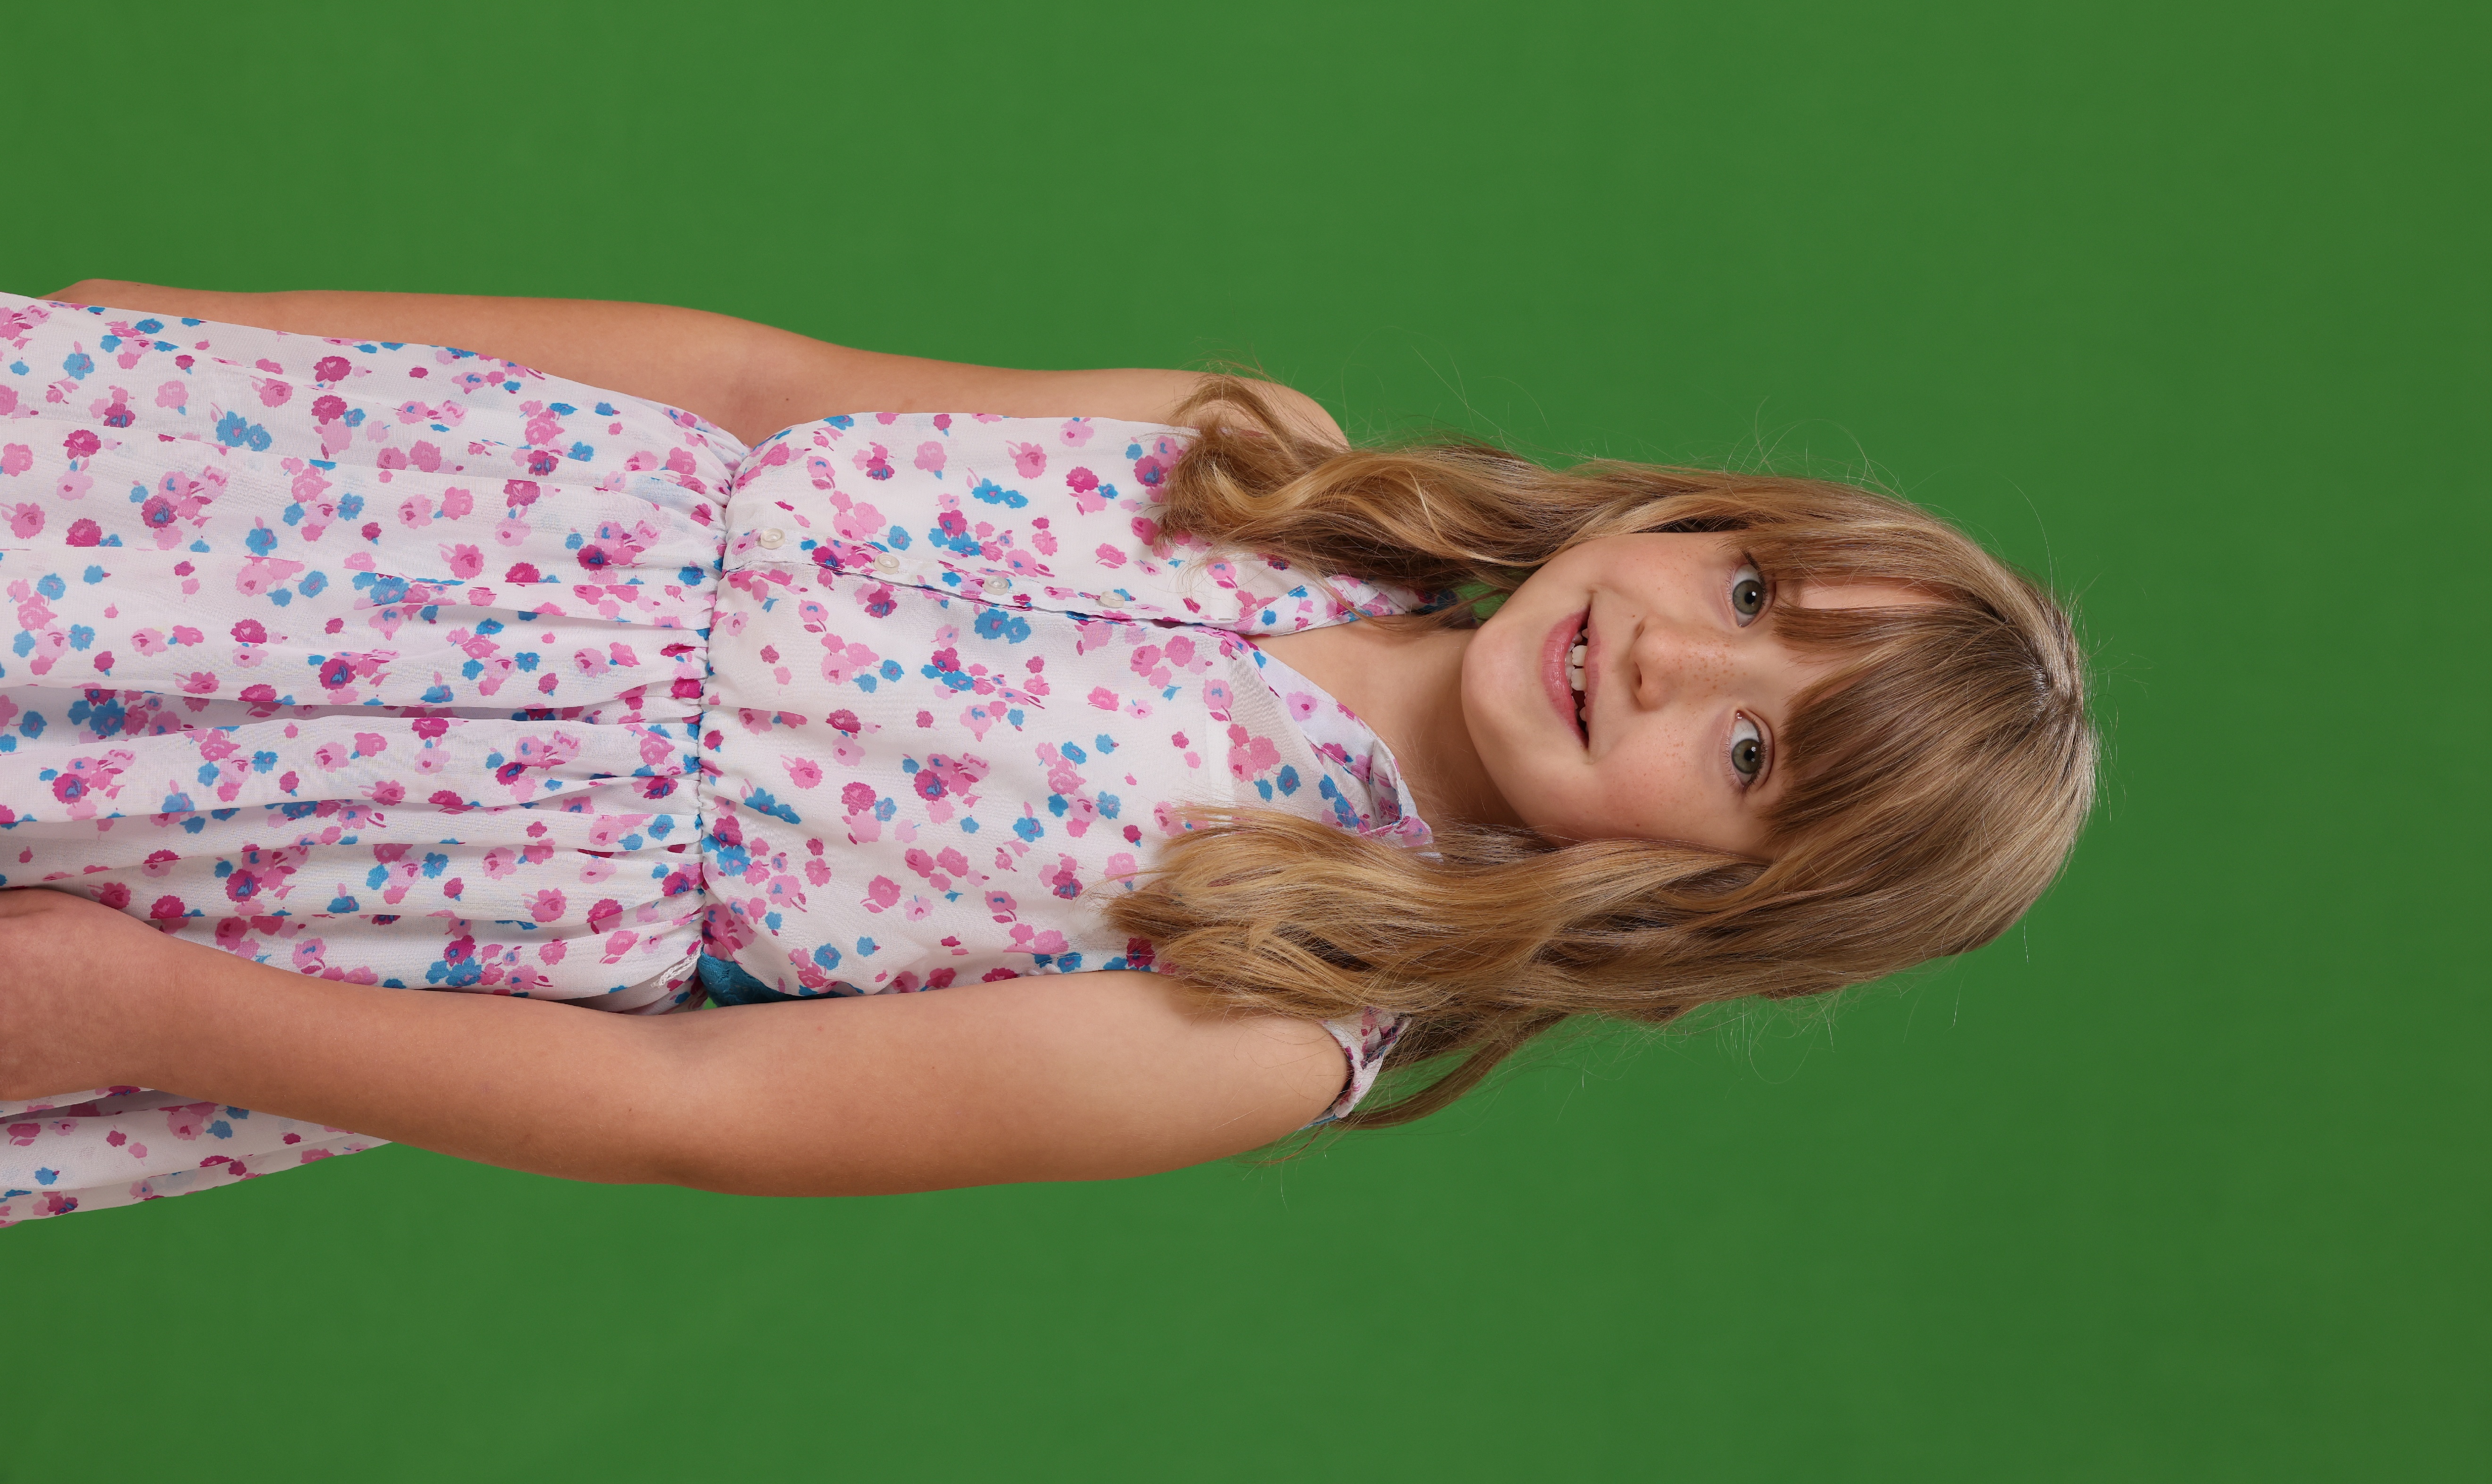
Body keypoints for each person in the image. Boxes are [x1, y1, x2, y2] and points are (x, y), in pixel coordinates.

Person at [0, 282, 2095, 1225]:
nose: (1661, 657)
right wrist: (224, 329)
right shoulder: (1258, 458)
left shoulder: (1272, 1018)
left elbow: (691, 1108)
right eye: (1749, 593)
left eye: (1748, 751)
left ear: (1720, 904)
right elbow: (750, 386)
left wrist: (141, 1010)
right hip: (296, 490)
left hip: (306, 857)